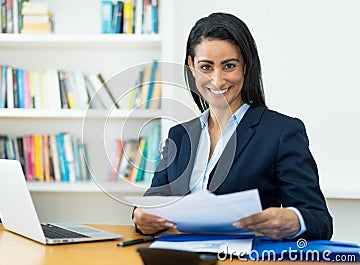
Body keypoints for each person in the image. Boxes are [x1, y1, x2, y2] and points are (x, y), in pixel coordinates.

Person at [133, 12, 333, 240]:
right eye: (206, 67)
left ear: (245, 66)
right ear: (191, 66)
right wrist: (141, 217)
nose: (217, 80)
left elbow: (320, 221)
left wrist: (293, 220)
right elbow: (151, 204)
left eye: (229, 66)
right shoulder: (179, 136)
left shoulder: (281, 132)